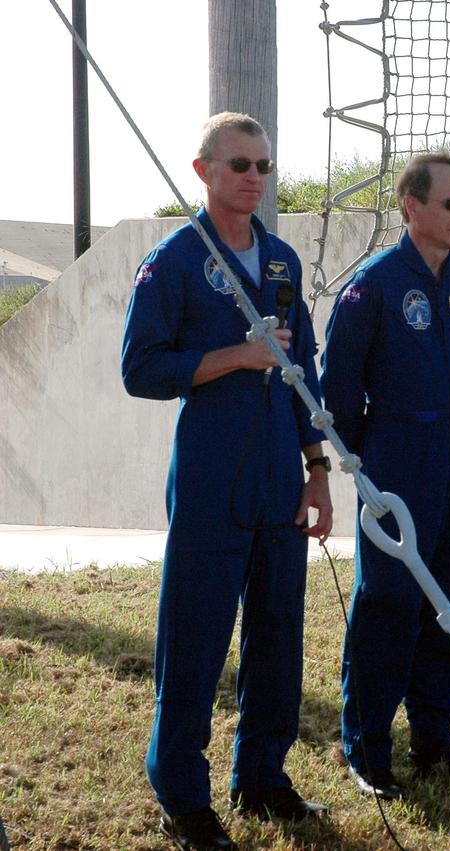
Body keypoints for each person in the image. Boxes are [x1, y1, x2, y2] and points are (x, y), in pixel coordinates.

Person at [121, 112, 332, 851]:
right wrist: (233, 356)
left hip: (280, 475)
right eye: (239, 164)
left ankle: (262, 776)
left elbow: (303, 374)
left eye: (263, 166)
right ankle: (180, 793)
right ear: (203, 170)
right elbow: (140, 368)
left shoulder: (280, 263)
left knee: (277, 638)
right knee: (196, 639)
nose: (253, 178)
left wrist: (317, 470)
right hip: (213, 477)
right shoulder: (175, 261)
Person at [322, 152, 450, 800]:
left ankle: (433, 736)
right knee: (391, 600)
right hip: (396, 452)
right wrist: (361, 456)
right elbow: (337, 387)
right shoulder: (372, 286)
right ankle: (367, 748)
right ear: (412, 208)